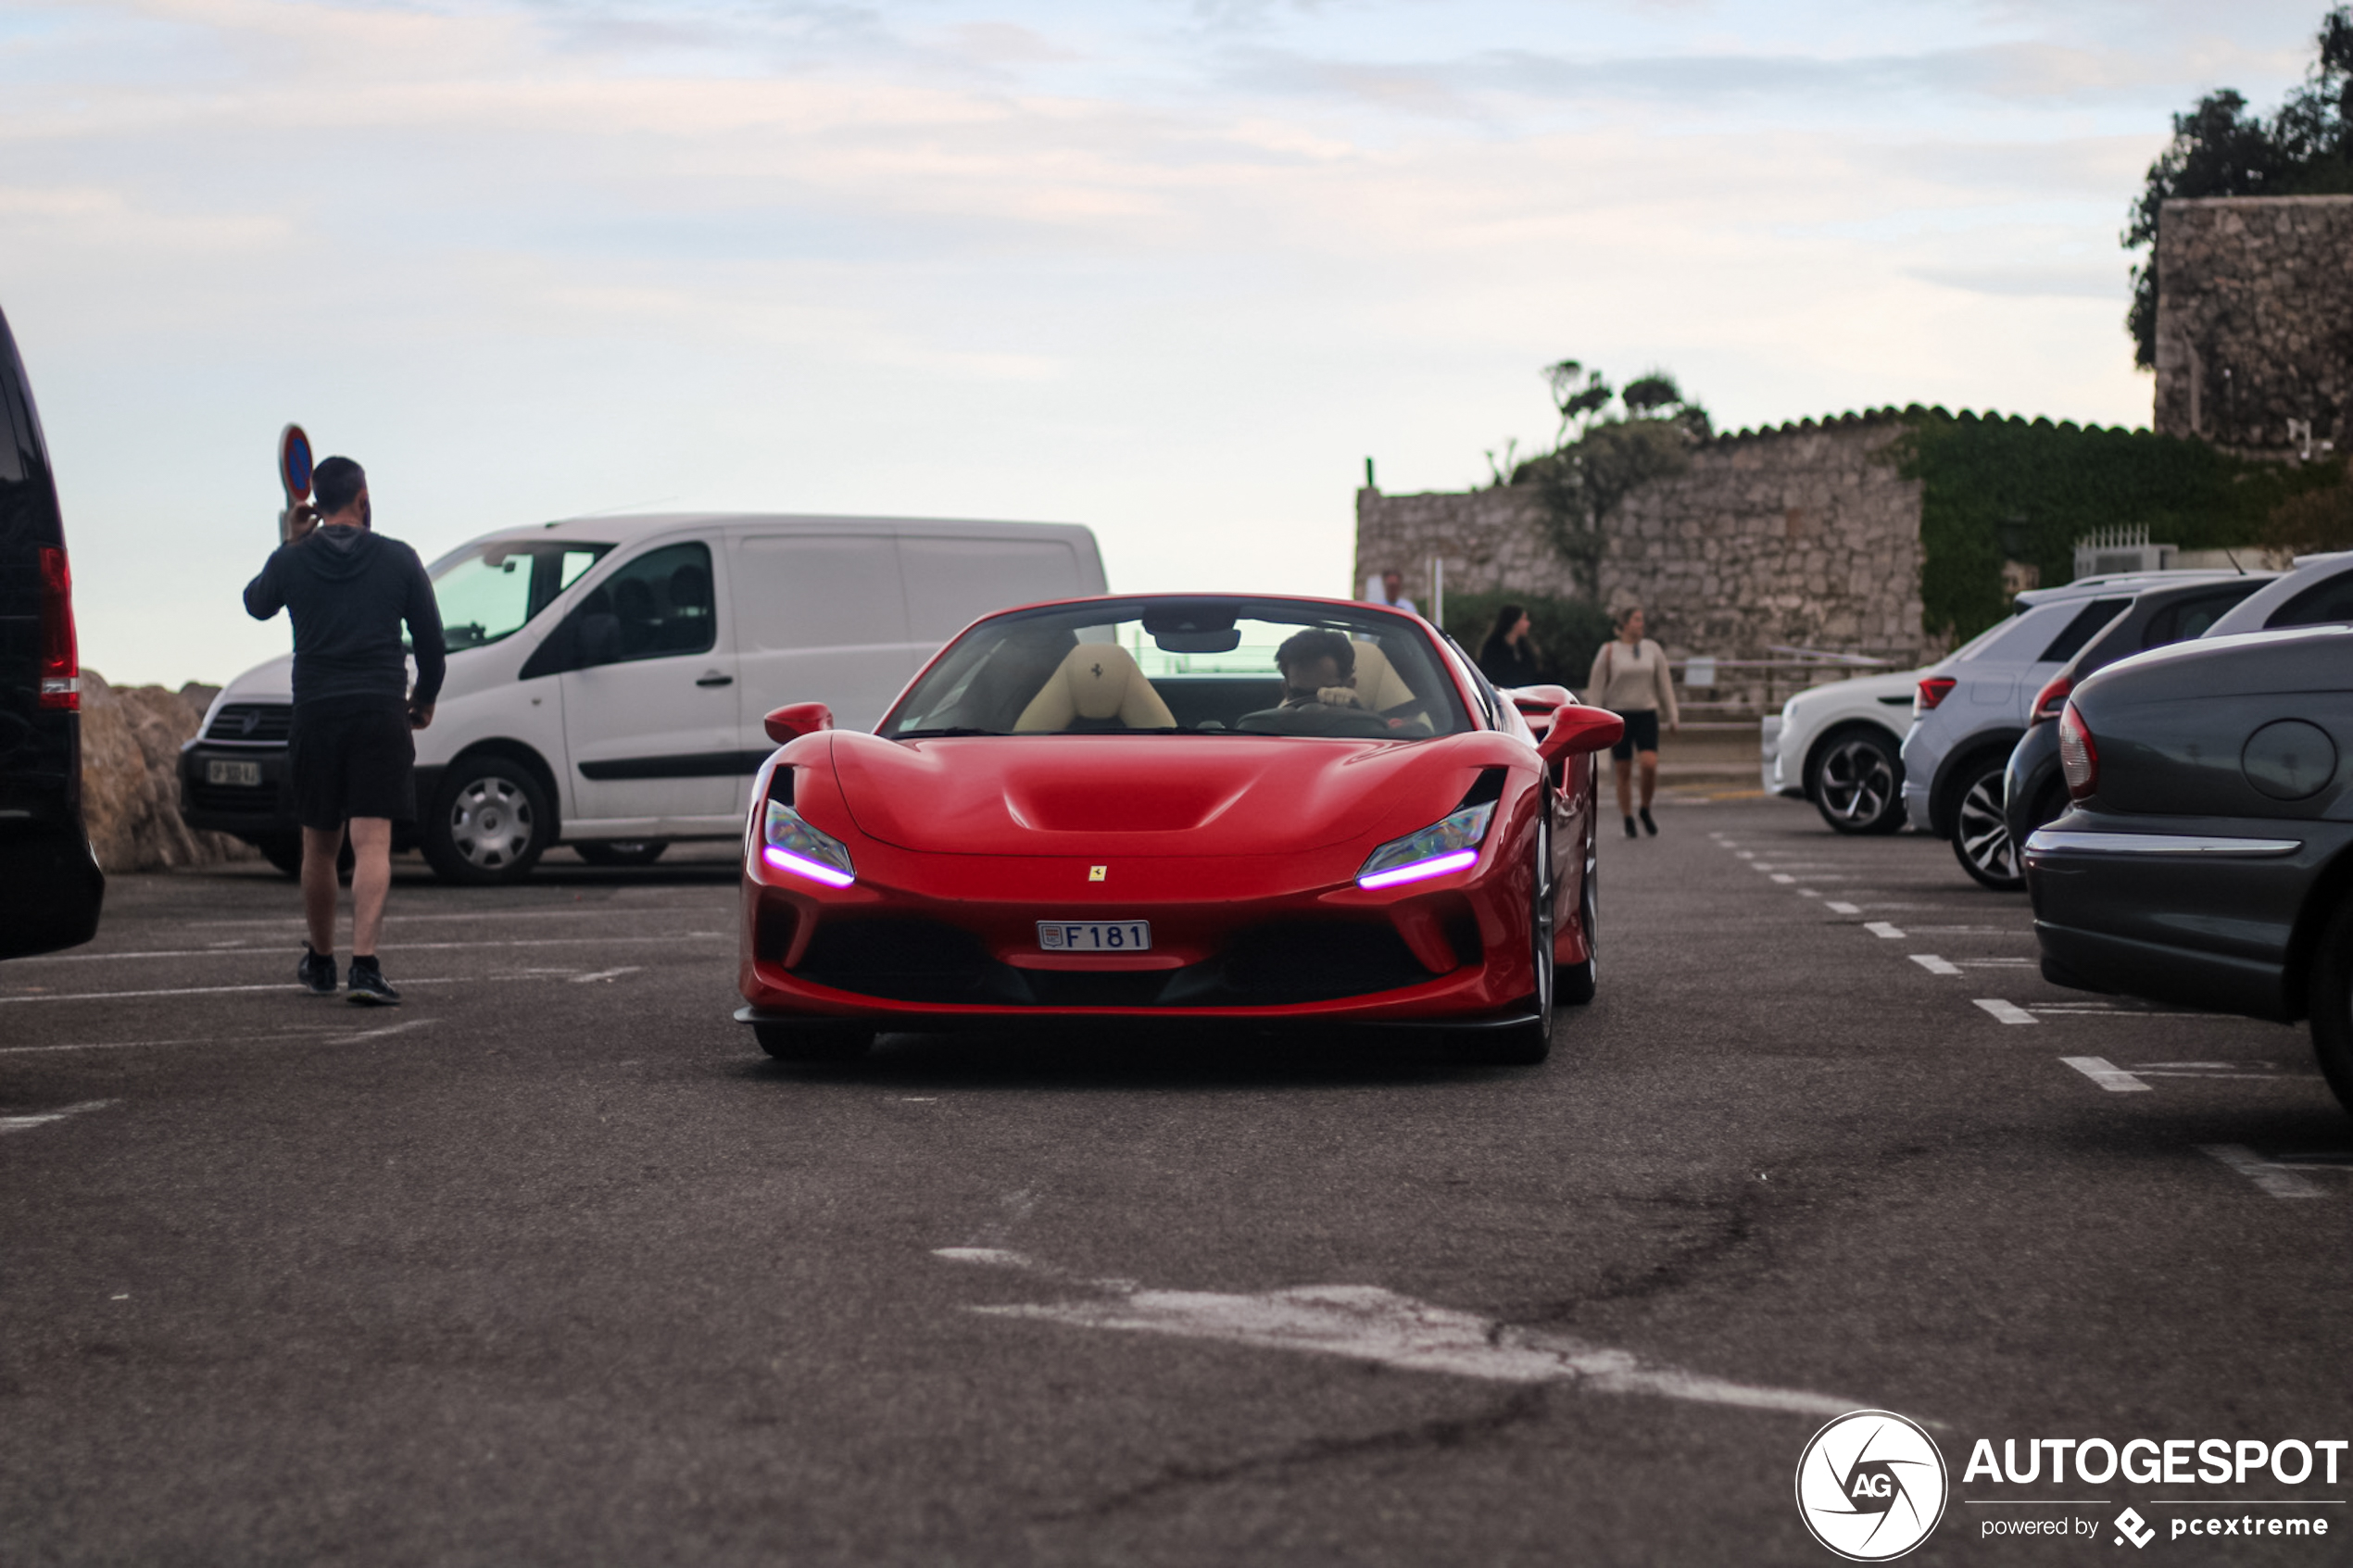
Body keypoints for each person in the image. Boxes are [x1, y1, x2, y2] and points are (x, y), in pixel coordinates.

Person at [244, 457, 445, 1004]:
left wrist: (288, 543)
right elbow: (431, 643)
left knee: (319, 845)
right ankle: (366, 966)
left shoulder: (294, 560)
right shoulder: (399, 559)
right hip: (380, 711)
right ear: (362, 499)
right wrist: (422, 699)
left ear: (318, 503)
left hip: (316, 713)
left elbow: (256, 604)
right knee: (372, 840)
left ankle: (321, 961)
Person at [1584, 604, 1678, 838]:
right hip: (1620, 714)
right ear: (1624, 624)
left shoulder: (1652, 650)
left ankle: (1645, 807)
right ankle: (1627, 817)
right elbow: (1595, 688)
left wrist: (1672, 714)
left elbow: (1664, 684)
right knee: (1623, 769)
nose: (1641, 624)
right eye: (1636, 619)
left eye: (1641, 620)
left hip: (1646, 713)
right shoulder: (1609, 651)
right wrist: (1593, 720)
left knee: (1649, 764)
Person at [1476, 603, 1541, 689]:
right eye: (1524, 619)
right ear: (1514, 623)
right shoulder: (1493, 649)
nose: (1528, 624)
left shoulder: (1525, 650)